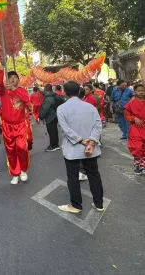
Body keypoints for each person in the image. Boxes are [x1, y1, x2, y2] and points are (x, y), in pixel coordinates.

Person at [57, 81, 105, 213]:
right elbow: (98, 125)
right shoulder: (90, 107)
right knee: (94, 175)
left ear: (64, 92)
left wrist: (81, 140)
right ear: (79, 91)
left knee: (73, 177)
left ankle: (76, 205)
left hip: (73, 149)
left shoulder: (62, 108)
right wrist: (91, 142)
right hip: (90, 148)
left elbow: (66, 129)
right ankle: (99, 203)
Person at [0, 69, 31, 184]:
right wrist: (2, 68)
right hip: (7, 127)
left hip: (20, 125)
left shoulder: (23, 91)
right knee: (10, 151)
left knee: (22, 148)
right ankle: (15, 173)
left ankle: (23, 171)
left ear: (18, 79)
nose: (12, 79)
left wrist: (14, 89)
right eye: (9, 78)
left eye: (14, 77)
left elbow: (26, 100)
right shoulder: (3, 92)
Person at [124, 84, 145, 175]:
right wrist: (134, 119)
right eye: (138, 90)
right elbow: (126, 114)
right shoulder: (131, 103)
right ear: (135, 92)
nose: (141, 92)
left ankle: (143, 166)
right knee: (136, 147)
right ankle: (137, 164)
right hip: (136, 128)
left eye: (142, 90)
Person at [39, 84, 61, 151]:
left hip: (50, 117)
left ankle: (53, 145)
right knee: (54, 131)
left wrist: (41, 116)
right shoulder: (53, 95)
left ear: (45, 89)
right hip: (55, 115)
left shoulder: (48, 98)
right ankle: (56, 144)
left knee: (51, 132)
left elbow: (45, 109)